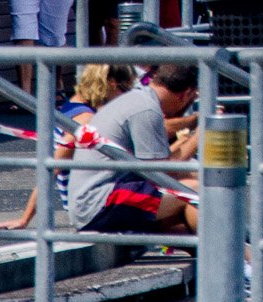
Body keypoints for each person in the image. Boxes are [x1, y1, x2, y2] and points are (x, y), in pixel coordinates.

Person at [67, 60, 202, 236]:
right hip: (98, 203)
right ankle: (229, 257)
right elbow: (162, 175)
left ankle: (231, 256)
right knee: (196, 190)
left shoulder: (138, 99)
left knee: (194, 181)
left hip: (96, 200)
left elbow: (160, 167)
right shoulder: (146, 109)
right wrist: (200, 135)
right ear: (187, 94)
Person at [0, 61, 131, 232]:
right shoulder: (84, 120)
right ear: (112, 84)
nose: (127, 97)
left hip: (89, 196)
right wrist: (24, 219)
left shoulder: (71, 106)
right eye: (126, 91)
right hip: (93, 201)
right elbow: (53, 168)